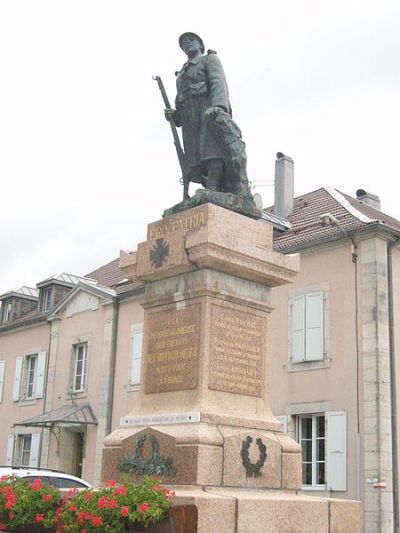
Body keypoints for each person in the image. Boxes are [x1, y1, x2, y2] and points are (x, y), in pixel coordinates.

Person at [165, 32, 251, 198]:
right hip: (190, 117)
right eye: (184, 43)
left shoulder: (209, 60)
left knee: (211, 148)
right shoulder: (181, 74)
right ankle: (207, 184)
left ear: (200, 45)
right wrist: (175, 115)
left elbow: (218, 83)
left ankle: (213, 185)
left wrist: (219, 107)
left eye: (191, 40)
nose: (188, 44)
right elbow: (181, 98)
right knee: (195, 155)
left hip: (207, 110)